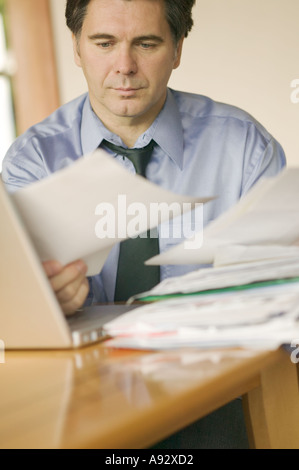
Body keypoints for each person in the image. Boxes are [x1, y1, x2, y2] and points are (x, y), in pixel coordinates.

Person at [2, 0, 286, 448]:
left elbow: (284, 295)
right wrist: (39, 303)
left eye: (147, 43)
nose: (124, 66)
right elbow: (13, 314)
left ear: (177, 49)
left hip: (217, 400)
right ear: (76, 46)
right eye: (104, 43)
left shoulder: (244, 147)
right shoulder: (33, 161)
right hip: (78, 405)